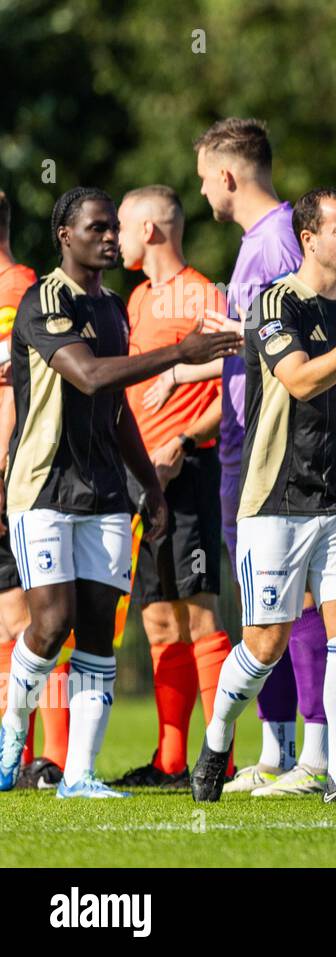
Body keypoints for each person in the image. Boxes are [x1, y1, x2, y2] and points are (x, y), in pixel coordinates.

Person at [0, 187, 240, 797]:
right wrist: (178, 354)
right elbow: (89, 376)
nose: (110, 237)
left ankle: (79, 773)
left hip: (106, 493)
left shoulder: (113, 308)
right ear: (66, 235)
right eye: (97, 228)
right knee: (50, 624)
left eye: (114, 227)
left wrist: (147, 489)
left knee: (100, 630)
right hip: (44, 487)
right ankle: (11, 733)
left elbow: (116, 411)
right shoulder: (42, 300)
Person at [190, 188, 336, 804]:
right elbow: (301, 379)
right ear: (309, 239)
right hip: (275, 500)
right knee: (264, 642)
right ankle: (220, 735)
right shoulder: (274, 302)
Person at [194, 117, 329, 796]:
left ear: (226, 176)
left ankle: (311, 747)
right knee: (262, 596)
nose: (203, 194)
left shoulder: (276, 240)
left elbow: (297, 338)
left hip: (273, 445)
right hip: (245, 440)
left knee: (291, 592)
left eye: (202, 179)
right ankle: (276, 750)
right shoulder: (257, 242)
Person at [108, 185, 232, 789]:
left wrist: (181, 443)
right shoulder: (136, 300)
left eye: (123, 226)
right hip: (142, 484)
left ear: (152, 230)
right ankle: (170, 761)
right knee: (158, 622)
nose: (115, 237)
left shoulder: (203, 293)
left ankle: (222, 758)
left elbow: (234, 385)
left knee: (201, 615)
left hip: (189, 474)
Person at [0, 189, 64, 789]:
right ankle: (15, 756)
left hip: (15, 477)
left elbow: (21, 393)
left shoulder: (21, 288)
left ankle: (50, 758)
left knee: (30, 617)